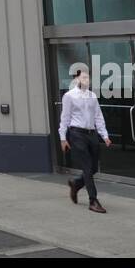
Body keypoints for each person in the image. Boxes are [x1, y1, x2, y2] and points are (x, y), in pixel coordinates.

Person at [58, 69, 110, 213]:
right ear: (76, 80)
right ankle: (93, 201)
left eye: (88, 78)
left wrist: (104, 135)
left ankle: (76, 183)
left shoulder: (92, 96)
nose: (87, 80)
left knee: (93, 168)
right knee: (87, 167)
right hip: (77, 134)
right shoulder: (69, 96)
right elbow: (65, 118)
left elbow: (98, 116)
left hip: (91, 134)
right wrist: (63, 138)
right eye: (84, 78)